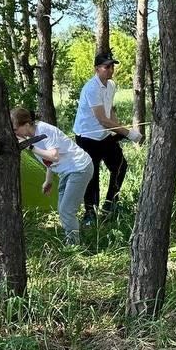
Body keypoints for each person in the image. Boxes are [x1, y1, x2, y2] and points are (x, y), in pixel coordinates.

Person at [72, 51, 141, 224]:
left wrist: (117, 129)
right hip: (87, 138)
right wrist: (129, 133)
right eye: (106, 66)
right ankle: (90, 214)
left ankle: (110, 206)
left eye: (112, 66)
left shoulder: (111, 85)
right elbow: (102, 119)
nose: (111, 70)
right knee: (91, 175)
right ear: (97, 69)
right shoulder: (91, 88)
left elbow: (110, 111)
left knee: (120, 166)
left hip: (104, 136)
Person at [11, 107, 95, 245]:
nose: (14, 133)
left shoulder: (44, 130)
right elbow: (48, 161)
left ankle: (74, 246)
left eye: (15, 130)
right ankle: (72, 239)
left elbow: (54, 156)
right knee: (63, 210)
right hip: (66, 171)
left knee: (66, 210)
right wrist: (48, 180)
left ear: (26, 125)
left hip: (79, 168)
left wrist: (29, 146)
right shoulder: (31, 137)